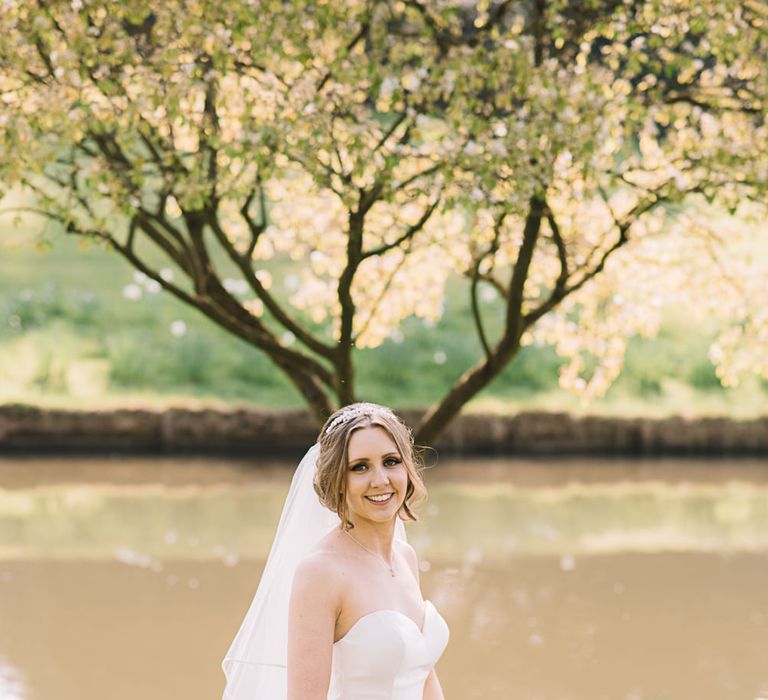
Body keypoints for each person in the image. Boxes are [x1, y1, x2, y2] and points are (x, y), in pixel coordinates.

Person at [222, 402, 449, 700]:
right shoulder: (320, 573)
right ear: (338, 481)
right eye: (360, 467)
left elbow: (422, 674)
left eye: (391, 461)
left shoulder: (404, 556)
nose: (380, 480)